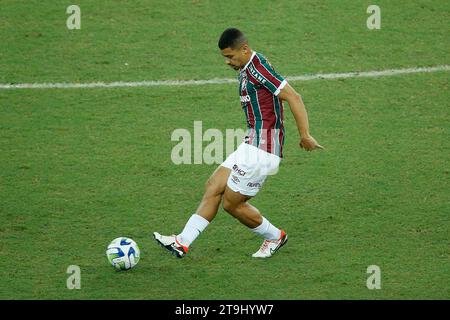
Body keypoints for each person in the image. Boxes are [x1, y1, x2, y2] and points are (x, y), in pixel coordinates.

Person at [154, 27, 323, 258]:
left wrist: (305, 134)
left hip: (264, 149)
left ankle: (275, 237)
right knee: (214, 186)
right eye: (225, 57)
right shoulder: (246, 67)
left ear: (244, 49)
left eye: (230, 56)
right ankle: (181, 242)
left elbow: (293, 96)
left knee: (232, 204)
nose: (227, 62)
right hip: (251, 143)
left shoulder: (258, 69)